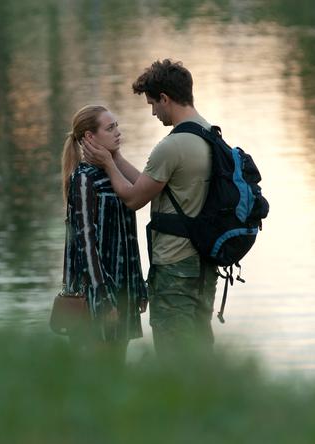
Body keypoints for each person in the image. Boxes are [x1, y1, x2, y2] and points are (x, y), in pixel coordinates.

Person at [82, 59, 218, 358]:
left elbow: (133, 199)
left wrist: (106, 162)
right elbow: (150, 184)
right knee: (198, 351)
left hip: (175, 267)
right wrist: (115, 157)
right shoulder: (209, 133)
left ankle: (182, 405)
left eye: (153, 104)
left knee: (174, 358)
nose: (154, 112)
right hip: (204, 266)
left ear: (166, 99)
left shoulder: (172, 146)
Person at [60, 104, 148, 362]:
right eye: (110, 128)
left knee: (116, 370)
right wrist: (103, 298)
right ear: (90, 137)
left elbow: (130, 236)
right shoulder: (84, 178)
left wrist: (139, 286)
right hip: (98, 297)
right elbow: (85, 241)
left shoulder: (113, 173)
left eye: (117, 125)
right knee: (97, 374)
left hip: (123, 289)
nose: (118, 132)